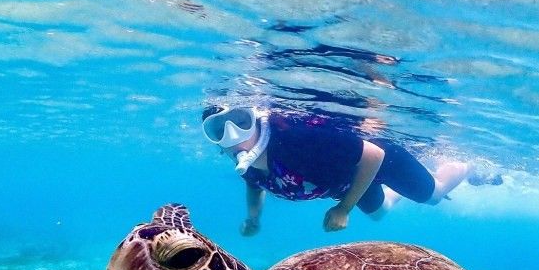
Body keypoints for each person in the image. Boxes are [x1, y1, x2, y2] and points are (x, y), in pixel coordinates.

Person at [201, 105, 501, 235]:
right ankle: (398, 192)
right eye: (218, 130)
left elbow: (372, 153)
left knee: (433, 194)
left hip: (378, 159)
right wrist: (253, 218)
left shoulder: (295, 139)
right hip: (349, 182)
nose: (234, 135)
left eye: (240, 121)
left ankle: (469, 167)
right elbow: (254, 185)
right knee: (380, 213)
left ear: (254, 118)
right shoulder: (247, 166)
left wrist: (344, 209)